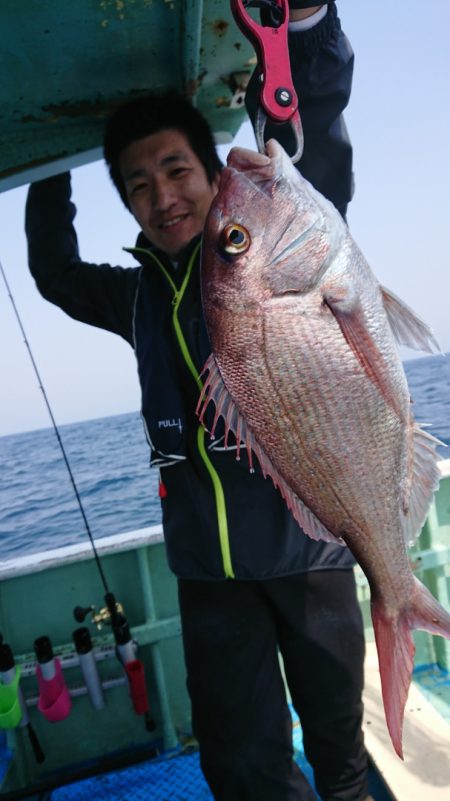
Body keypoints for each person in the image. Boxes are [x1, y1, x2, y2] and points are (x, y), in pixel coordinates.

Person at [25, 4, 373, 800]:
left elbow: (318, 143)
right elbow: (55, 273)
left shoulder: (275, 252)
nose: (163, 196)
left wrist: (308, 26)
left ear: (214, 174)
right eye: (138, 185)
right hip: (209, 573)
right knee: (241, 766)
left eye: (177, 170)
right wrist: (52, 160)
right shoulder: (136, 298)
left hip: (310, 549)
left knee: (341, 751)